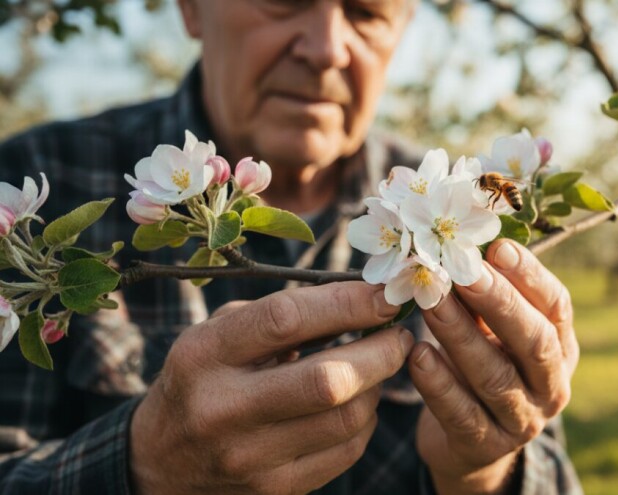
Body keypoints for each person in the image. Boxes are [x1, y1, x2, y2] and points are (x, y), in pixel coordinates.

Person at [0, 1, 582, 493]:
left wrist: (482, 471)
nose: (327, 48)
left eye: (366, 11)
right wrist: (142, 462)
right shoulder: (36, 184)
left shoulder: (457, 207)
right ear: (190, 8)